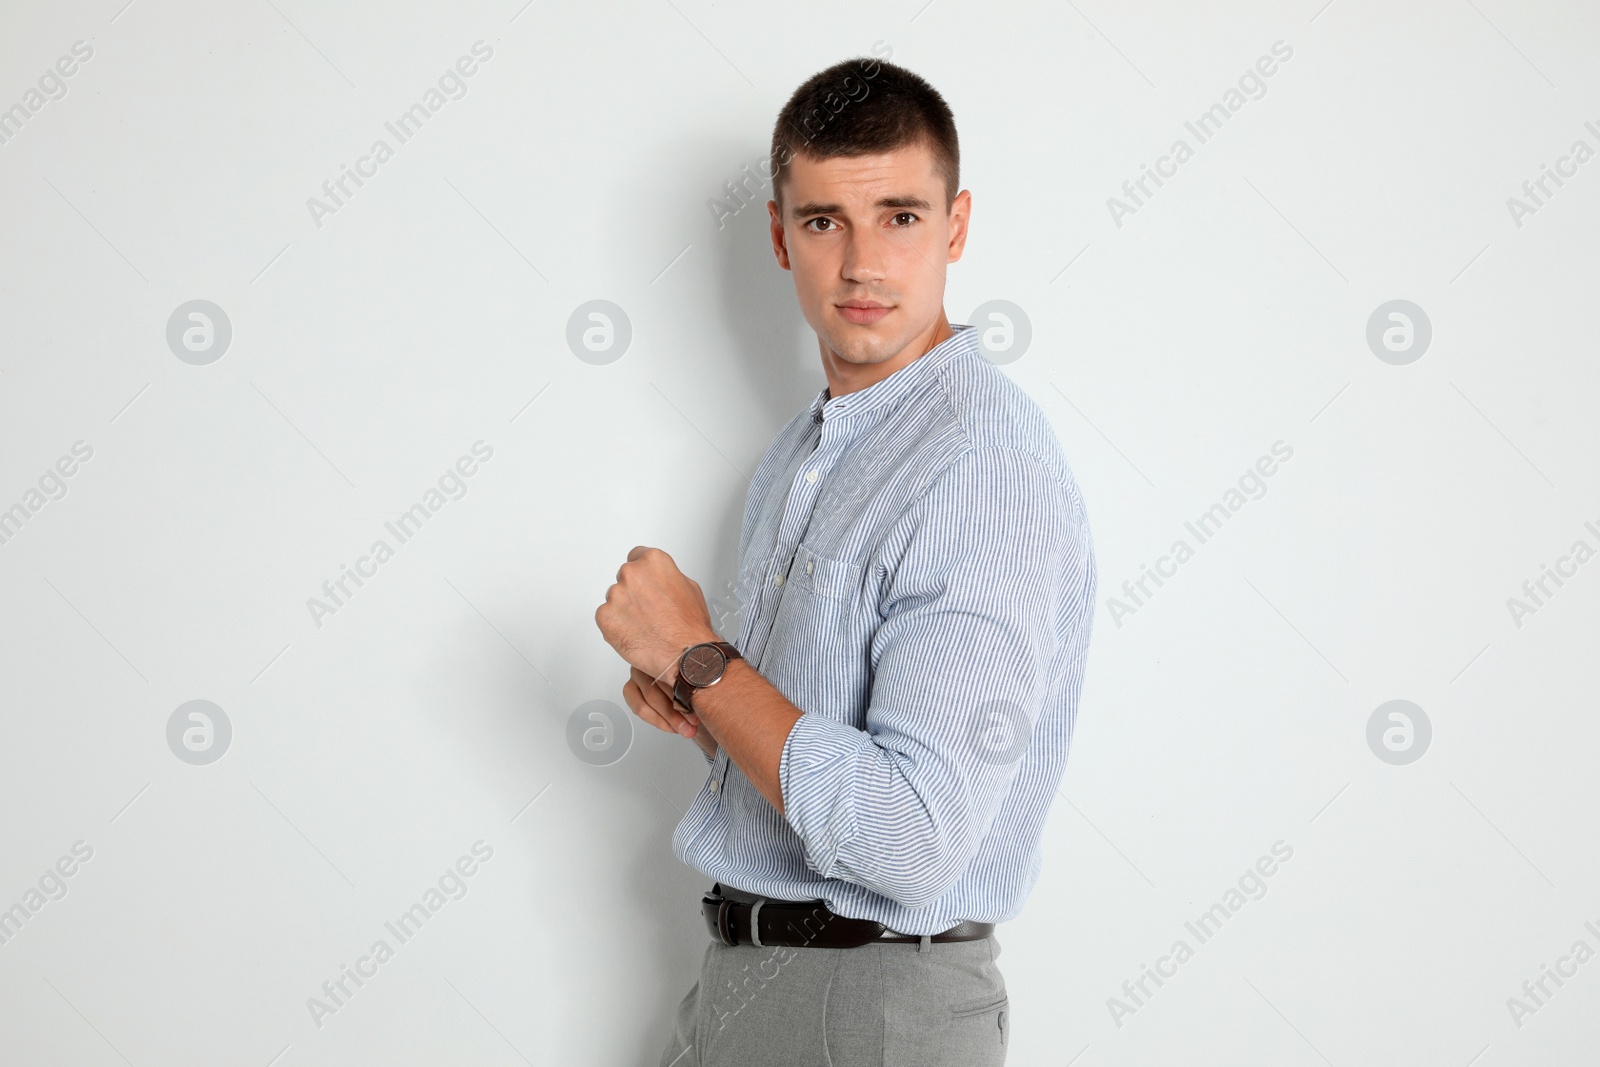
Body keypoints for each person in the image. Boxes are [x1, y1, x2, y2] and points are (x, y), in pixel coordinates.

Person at [595, 55, 1097, 1067]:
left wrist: (702, 655)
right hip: (743, 981)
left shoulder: (976, 463)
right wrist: (706, 708)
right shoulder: (804, 452)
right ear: (781, 238)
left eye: (901, 217)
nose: (863, 262)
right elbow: (845, 759)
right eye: (826, 220)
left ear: (955, 227)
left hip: (868, 1002)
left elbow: (908, 840)